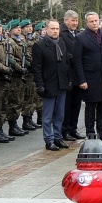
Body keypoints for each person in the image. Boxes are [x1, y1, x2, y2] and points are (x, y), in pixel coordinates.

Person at [72, 12, 102, 145]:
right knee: (90, 108)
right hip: (89, 79)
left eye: (96, 20)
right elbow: (77, 61)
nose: (94, 23)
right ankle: (90, 133)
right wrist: (81, 80)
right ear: (86, 23)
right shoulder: (80, 37)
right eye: (91, 21)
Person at [32, 19, 71, 151]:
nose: (55, 31)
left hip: (62, 84)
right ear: (47, 30)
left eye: (57, 29)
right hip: (48, 84)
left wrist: (68, 79)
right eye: (52, 29)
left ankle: (57, 137)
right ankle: (49, 140)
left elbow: (66, 63)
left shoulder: (61, 43)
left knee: (60, 114)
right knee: (48, 116)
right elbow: (37, 68)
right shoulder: (39, 45)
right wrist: (40, 85)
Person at [60, 10, 85, 141]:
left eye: (76, 21)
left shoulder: (78, 34)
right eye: (72, 20)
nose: (75, 23)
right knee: (67, 106)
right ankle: (65, 131)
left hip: (78, 74)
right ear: (66, 21)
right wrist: (77, 58)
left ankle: (73, 129)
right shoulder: (62, 34)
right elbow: (63, 53)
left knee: (76, 105)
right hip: (67, 74)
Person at [6, 19, 29, 137]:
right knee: (14, 101)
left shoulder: (20, 41)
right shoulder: (10, 42)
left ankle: (15, 124)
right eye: (16, 28)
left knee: (19, 100)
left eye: (20, 27)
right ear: (11, 30)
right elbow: (10, 58)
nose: (19, 29)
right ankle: (12, 125)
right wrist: (20, 68)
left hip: (20, 75)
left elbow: (26, 56)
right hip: (15, 75)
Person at [20, 19, 41, 130]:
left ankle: (30, 118)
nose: (29, 28)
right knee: (28, 96)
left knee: (33, 96)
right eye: (27, 26)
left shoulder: (33, 39)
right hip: (28, 71)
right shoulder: (22, 40)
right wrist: (34, 64)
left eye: (30, 26)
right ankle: (26, 120)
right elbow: (26, 55)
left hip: (34, 71)